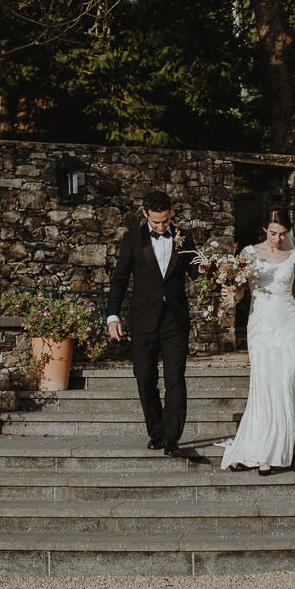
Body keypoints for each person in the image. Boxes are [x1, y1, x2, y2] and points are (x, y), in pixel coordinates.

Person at [219, 209, 295, 475]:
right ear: (265, 229)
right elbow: (241, 290)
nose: (278, 238)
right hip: (261, 324)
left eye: (283, 234)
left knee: (286, 379)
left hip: (288, 322)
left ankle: (275, 447)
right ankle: (260, 448)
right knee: (264, 383)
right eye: (273, 233)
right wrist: (232, 295)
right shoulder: (249, 254)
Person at [105, 190, 196, 456]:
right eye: (156, 222)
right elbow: (120, 279)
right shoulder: (133, 238)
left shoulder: (184, 237)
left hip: (175, 321)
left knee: (175, 379)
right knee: (144, 377)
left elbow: (197, 272)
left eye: (165, 221)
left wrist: (222, 281)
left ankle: (172, 437)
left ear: (171, 214)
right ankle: (156, 431)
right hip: (143, 320)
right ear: (145, 214)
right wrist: (113, 316)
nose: (161, 226)